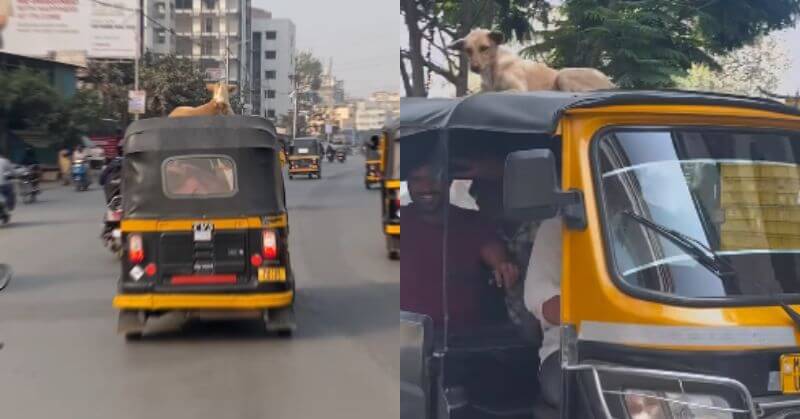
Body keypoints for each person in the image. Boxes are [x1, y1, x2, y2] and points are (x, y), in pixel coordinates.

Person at [400, 159, 519, 332]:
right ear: (408, 183)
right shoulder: (400, 221)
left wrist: (502, 266)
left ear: (448, 180)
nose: (426, 187)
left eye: (434, 178)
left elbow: (494, 252)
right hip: (407, 334)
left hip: (466, 337)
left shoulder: (472, 221)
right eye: (417, 179)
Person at [523, 216, 562, 408]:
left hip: (645, 345)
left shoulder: (646, 222)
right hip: (570, 347)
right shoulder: (556, 229)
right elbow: (550, 308)